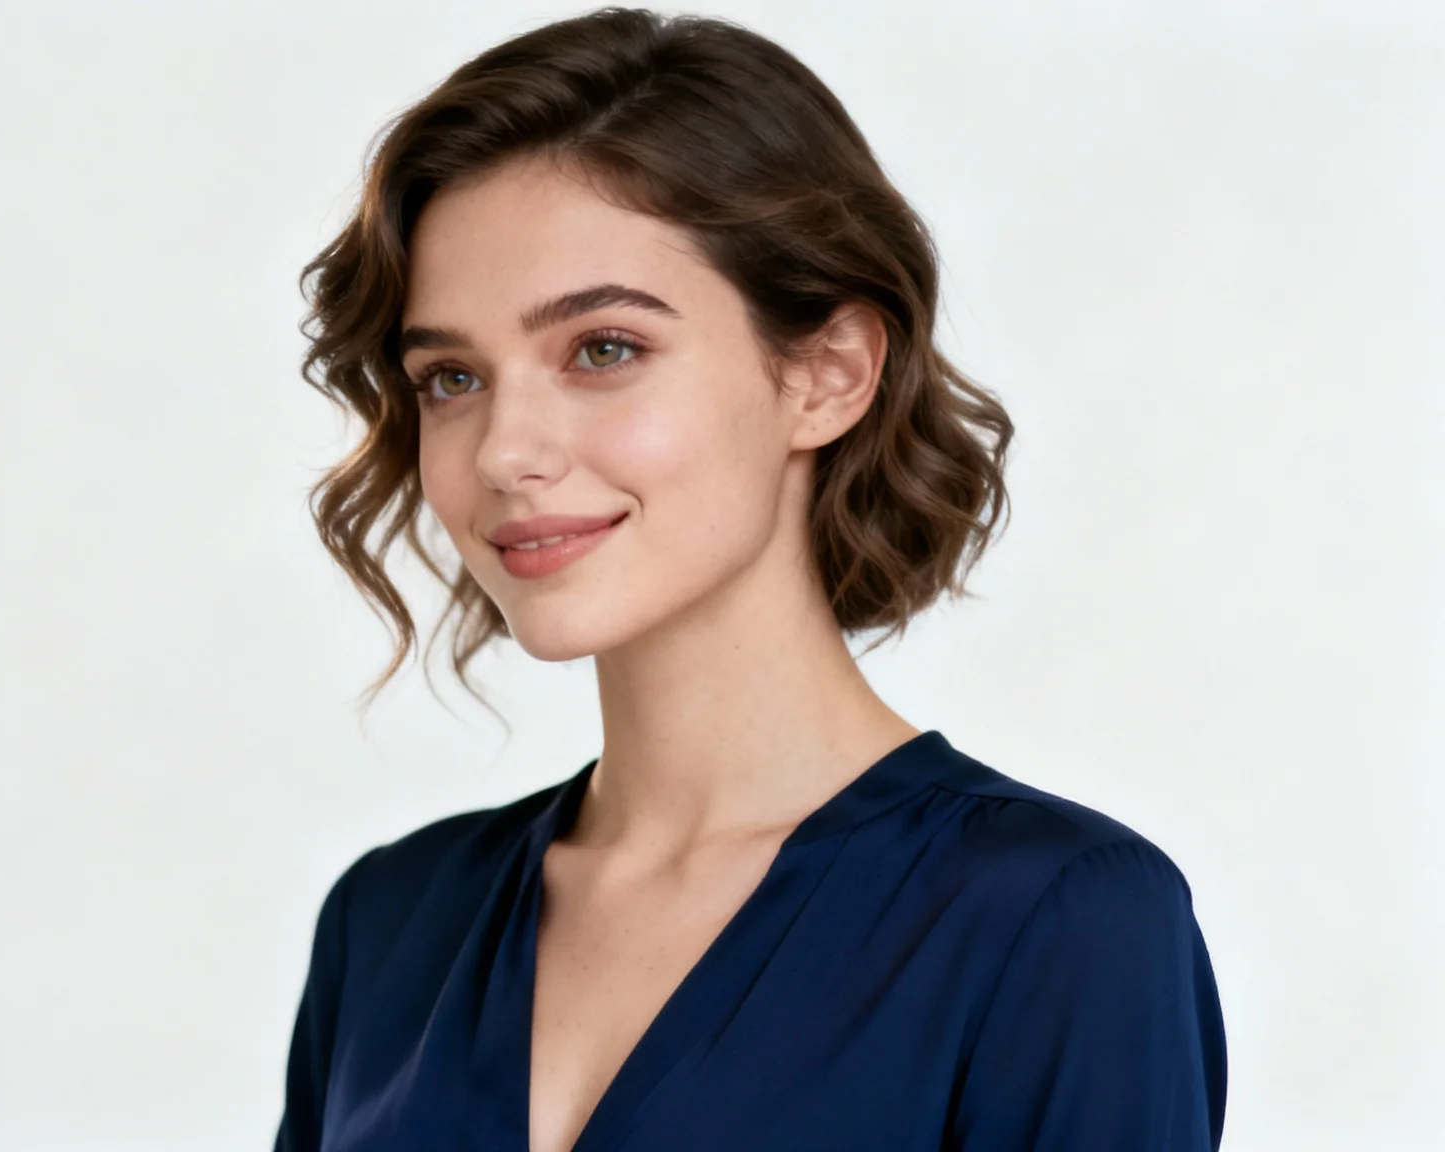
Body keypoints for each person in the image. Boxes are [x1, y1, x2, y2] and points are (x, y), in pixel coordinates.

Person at [275, 8, 1226, 1150]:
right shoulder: (389, 928)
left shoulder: (1054, 921)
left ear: (826, 375)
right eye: (450, 377)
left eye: (602, 349)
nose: (501, 452)